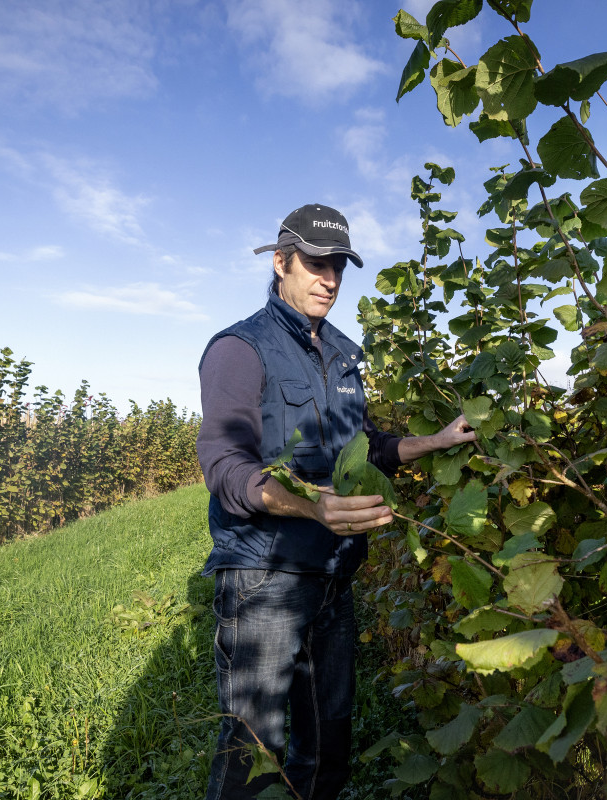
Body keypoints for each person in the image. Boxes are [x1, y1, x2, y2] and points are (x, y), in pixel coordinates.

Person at [196, 203, 476, 799]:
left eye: (339, 266)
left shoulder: (345, 355)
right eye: (316, 263)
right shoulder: (239, 349)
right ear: (281, 263)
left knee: (328, 744)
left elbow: (365, 449)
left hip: (333, 576)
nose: (329, 278)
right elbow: (224, 467)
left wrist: (439, 440)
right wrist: (309, 506)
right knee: (253, 751)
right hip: (263, 577)